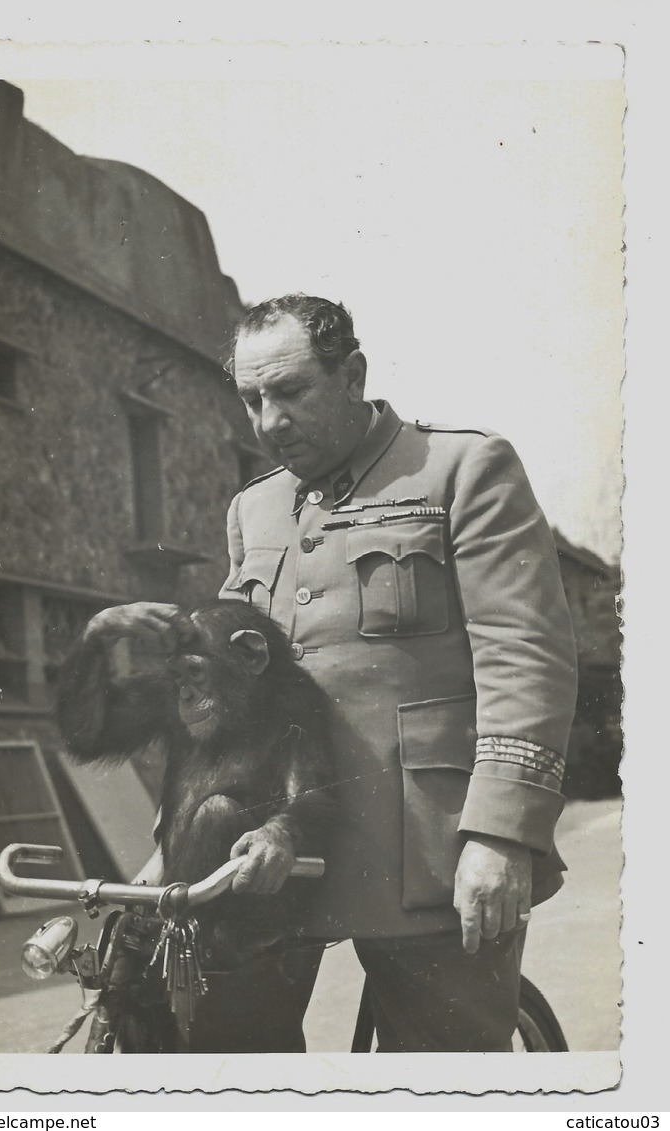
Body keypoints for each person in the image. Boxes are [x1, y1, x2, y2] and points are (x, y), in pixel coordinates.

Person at [214, 293, 578, 1052]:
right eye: (251, 399)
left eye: (289, 392)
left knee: (442, 1082)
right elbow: (228, 688)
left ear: (351, 374)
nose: (268, 420)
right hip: (280, 852)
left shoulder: (460, 467)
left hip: (428, 855)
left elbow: (524, 656)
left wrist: (502, 837)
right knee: (225, 1058)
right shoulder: (254, 509)